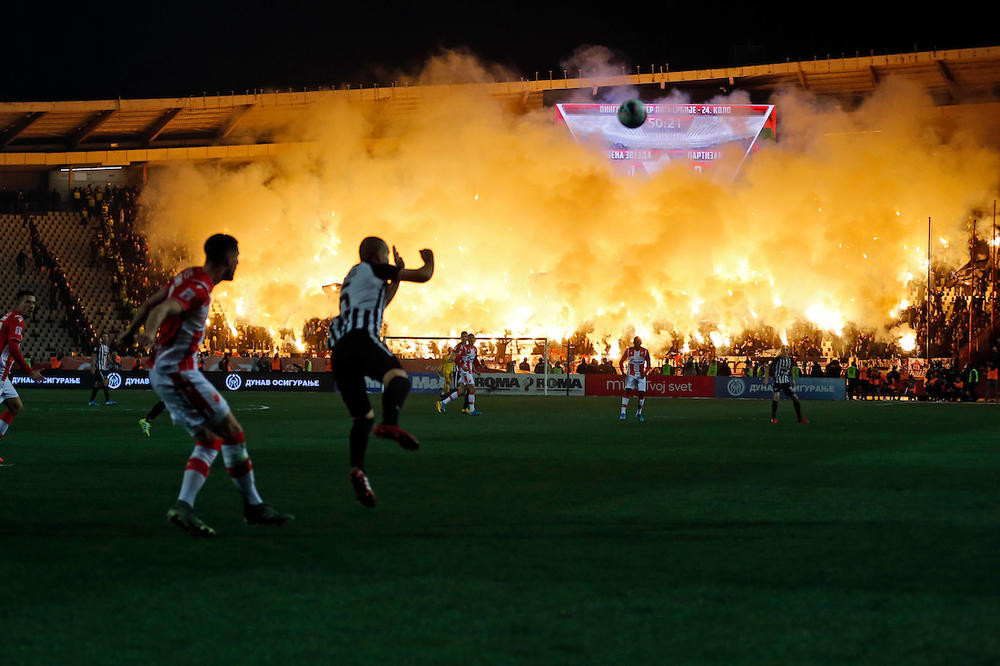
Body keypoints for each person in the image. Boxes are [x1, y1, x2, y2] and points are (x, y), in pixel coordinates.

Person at [122, 233, 293, 536]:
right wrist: (146, 334)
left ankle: (188, 506)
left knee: (211, 436)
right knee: (230, 432)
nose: (238, 262)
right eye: (237, 257)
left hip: (169, 371)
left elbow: (151, 301)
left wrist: (128, 332)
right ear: (228, 259)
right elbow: (162, 309)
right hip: (179, 372)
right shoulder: (198, 289)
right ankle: (249, 506)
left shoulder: (188, 275)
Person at [329, 237, 434, 508]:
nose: (389, 260)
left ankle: (358, 470)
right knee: (398, 379)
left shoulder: (355, 275)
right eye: (386, 254)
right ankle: (391, 423)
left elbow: (382, 301)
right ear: (377, 255)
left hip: (340, 351)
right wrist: (429, 257)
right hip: (361, 339)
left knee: (363, 418)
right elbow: (423, 276)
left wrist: (395, 278)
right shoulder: (373, 268)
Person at [0, 291, 46, 460]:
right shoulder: (17, 319)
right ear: (18, 303)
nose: (31, 306)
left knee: (15, 406)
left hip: (4, 375)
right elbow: (13, 348)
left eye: (33, 302)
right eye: (27, 302)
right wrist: (30, 371)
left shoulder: (9, 316)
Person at [438, 333, 483, 416]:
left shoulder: (475, 349)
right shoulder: (464, 348)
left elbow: (474, 360)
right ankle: (472, 410)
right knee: (472, 388)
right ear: (468, 340)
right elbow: (457, 359)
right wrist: (462, 366)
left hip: (469, 371)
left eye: (473, 338)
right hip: (465, 371)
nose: (471, 340)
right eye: (470, 338)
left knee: (462, 391)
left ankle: (443, 402)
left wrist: (478, 367)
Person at [767, 346, 808, 424]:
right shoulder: (777, 359)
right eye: (783, 350)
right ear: (781, 351)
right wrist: (766, 379)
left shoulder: (790, 360)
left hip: (786, 381)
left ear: (788, 351)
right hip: (777, 380)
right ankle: (773, 418)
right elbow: (768, 367)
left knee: (795, 398)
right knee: (776, 396)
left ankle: (799, 418)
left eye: (786, 350)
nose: (785, 351)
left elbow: (791, 369)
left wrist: (792, 380)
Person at [618, 336, 651, 422]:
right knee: (628, 391)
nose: (637, 344)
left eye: (638, 342)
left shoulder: (645, 351)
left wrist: (645, 372)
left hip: (641, 374)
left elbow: (649, 364)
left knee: (642, 393)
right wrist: (622, 372)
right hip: (631, 374)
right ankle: (623, 412)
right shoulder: (629, 351)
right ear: (633, 343)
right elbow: (621, 361)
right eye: (635, 342)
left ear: (640, 343)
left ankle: (639, 413)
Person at [88, 333, 116, 406]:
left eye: (106, 337)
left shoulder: (107, 347)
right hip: (99, 368)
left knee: (97, 384)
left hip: (104, 369)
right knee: (105, 382)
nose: (105, 338)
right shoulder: (98, 346)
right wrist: (92, 367)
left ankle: (91, 401)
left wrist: (114, 364)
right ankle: (108, 400)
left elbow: (108, 358)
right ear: (101, 338)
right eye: (104, 337)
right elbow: (93, 357)